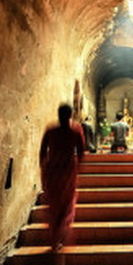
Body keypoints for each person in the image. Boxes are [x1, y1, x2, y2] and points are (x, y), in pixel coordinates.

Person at [39, 103, 85, 251]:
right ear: (70, 115)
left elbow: (42, 152)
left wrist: (44, 169)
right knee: (67, 202)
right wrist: (77, 167)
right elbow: (81, 152)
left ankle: (55, 236)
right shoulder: (76, 130)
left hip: (53, 169)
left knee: (54, 202)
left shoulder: (51, 130)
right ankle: (62, 233)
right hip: (68, 169)